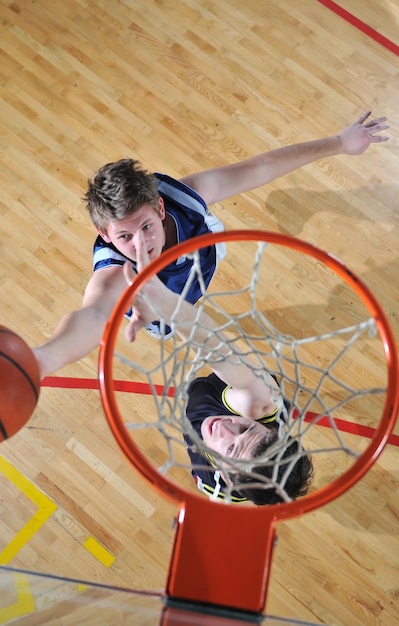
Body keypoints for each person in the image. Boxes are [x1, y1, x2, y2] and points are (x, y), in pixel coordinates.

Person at [33, 112, 389, 379]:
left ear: (159, 207)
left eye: (146, 226)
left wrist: (339, 143)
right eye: (125, 237)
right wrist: (41, 361)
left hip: (203, 254)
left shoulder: (182, 198)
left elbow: (260, 167)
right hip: (164, 306)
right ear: (104, 234)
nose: (142, 244)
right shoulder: (115, 275)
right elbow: (91, 318)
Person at [122, 231, 313, 505]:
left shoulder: (219, 488)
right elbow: (219, 349)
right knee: (250, 381)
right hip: (223, 388)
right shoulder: (258, 406)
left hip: (206, 440)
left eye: (232, 449)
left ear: (226, 475)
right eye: (246, 429)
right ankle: (208, 235)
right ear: (271, 431)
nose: (226, 427)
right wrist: (169, 306)